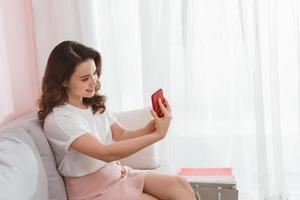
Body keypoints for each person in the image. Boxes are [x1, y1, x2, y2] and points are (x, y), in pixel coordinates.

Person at [38, 40, 196, 200]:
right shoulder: (59, 119)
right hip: (91, 190)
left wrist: (152, 128)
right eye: (85, 78)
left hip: (116, 174)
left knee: (180, 185)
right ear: (63, 81)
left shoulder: (91, 103)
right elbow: (104, 153)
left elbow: (121, 134)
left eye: (94, 73)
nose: (94, 82)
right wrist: (157, 136)